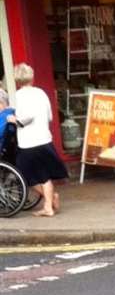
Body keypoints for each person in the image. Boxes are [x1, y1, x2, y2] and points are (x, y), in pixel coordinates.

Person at [11, 64, 66, 217]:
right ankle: (48, 205)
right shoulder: (41, 93)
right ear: (32, 77)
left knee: (25, 174)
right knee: (44, 175)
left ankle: (50, 200)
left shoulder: (18, 96)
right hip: (44, 139)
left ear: (17, 79)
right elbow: (49, 116)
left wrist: (12, 119)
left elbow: (25, 119)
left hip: (28, 142)